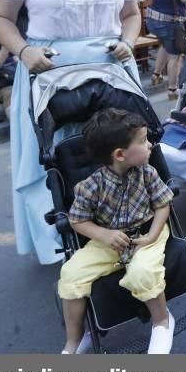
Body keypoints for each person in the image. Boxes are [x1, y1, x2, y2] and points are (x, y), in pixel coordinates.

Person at [0, 0, 141, 265]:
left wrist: (128, 40)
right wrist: (23, 51)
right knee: (59, 160)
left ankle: (128, 227)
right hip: (50, 73)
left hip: (110, 71)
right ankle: (70, 241)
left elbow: (130, 14)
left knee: (118, 153)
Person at [58, 108, 175, 355]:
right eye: (143, 141)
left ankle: (162, 321)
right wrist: (104, 235)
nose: (150, 144)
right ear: (120, 154)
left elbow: (163, 204)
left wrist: (152, 236)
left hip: (146, 232)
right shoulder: (90, 187)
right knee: (70, 274)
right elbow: (77, 220)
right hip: (109, 239)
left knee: (142, 271)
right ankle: (75, 339)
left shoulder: (147, 173)